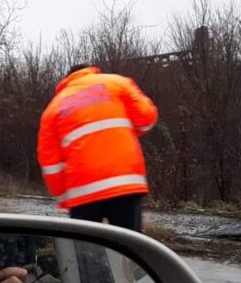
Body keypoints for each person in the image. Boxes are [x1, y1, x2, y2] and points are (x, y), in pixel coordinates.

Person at [37, 64, 158, 232]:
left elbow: (50, 164)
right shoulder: (118, 84)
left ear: (67, 79)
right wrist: (128, 131)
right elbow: (147, 119)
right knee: (129, 243)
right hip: (124, 182)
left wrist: (64, 198)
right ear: (91, 71)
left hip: (82, 192)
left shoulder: (53, 109)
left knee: (85, 246)